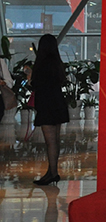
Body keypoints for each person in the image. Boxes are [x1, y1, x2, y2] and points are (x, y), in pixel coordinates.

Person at [31, 34, 69, 186]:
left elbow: (37, 85)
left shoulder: (42, 65)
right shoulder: (57, 63)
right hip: (57, 104)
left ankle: (52, 173)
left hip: (47, 106)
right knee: (55, 141)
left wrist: (30, 76)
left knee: (50, 142)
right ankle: (52, 171)